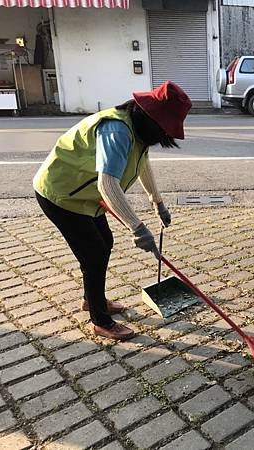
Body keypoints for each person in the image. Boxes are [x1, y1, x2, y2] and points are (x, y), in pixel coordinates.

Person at [33, 81, 192, 341]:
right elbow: (107, 183)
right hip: (61, 194)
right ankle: (100, 320)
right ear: (153, 120)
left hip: (84, 196)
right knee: (93, 254)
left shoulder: (138, 132)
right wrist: (138, 228)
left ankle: (92, 299)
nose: (163, 138)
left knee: (104, 243)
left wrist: (158, 203)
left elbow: (142, 165)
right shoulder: (118, 130)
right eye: (164, 131)